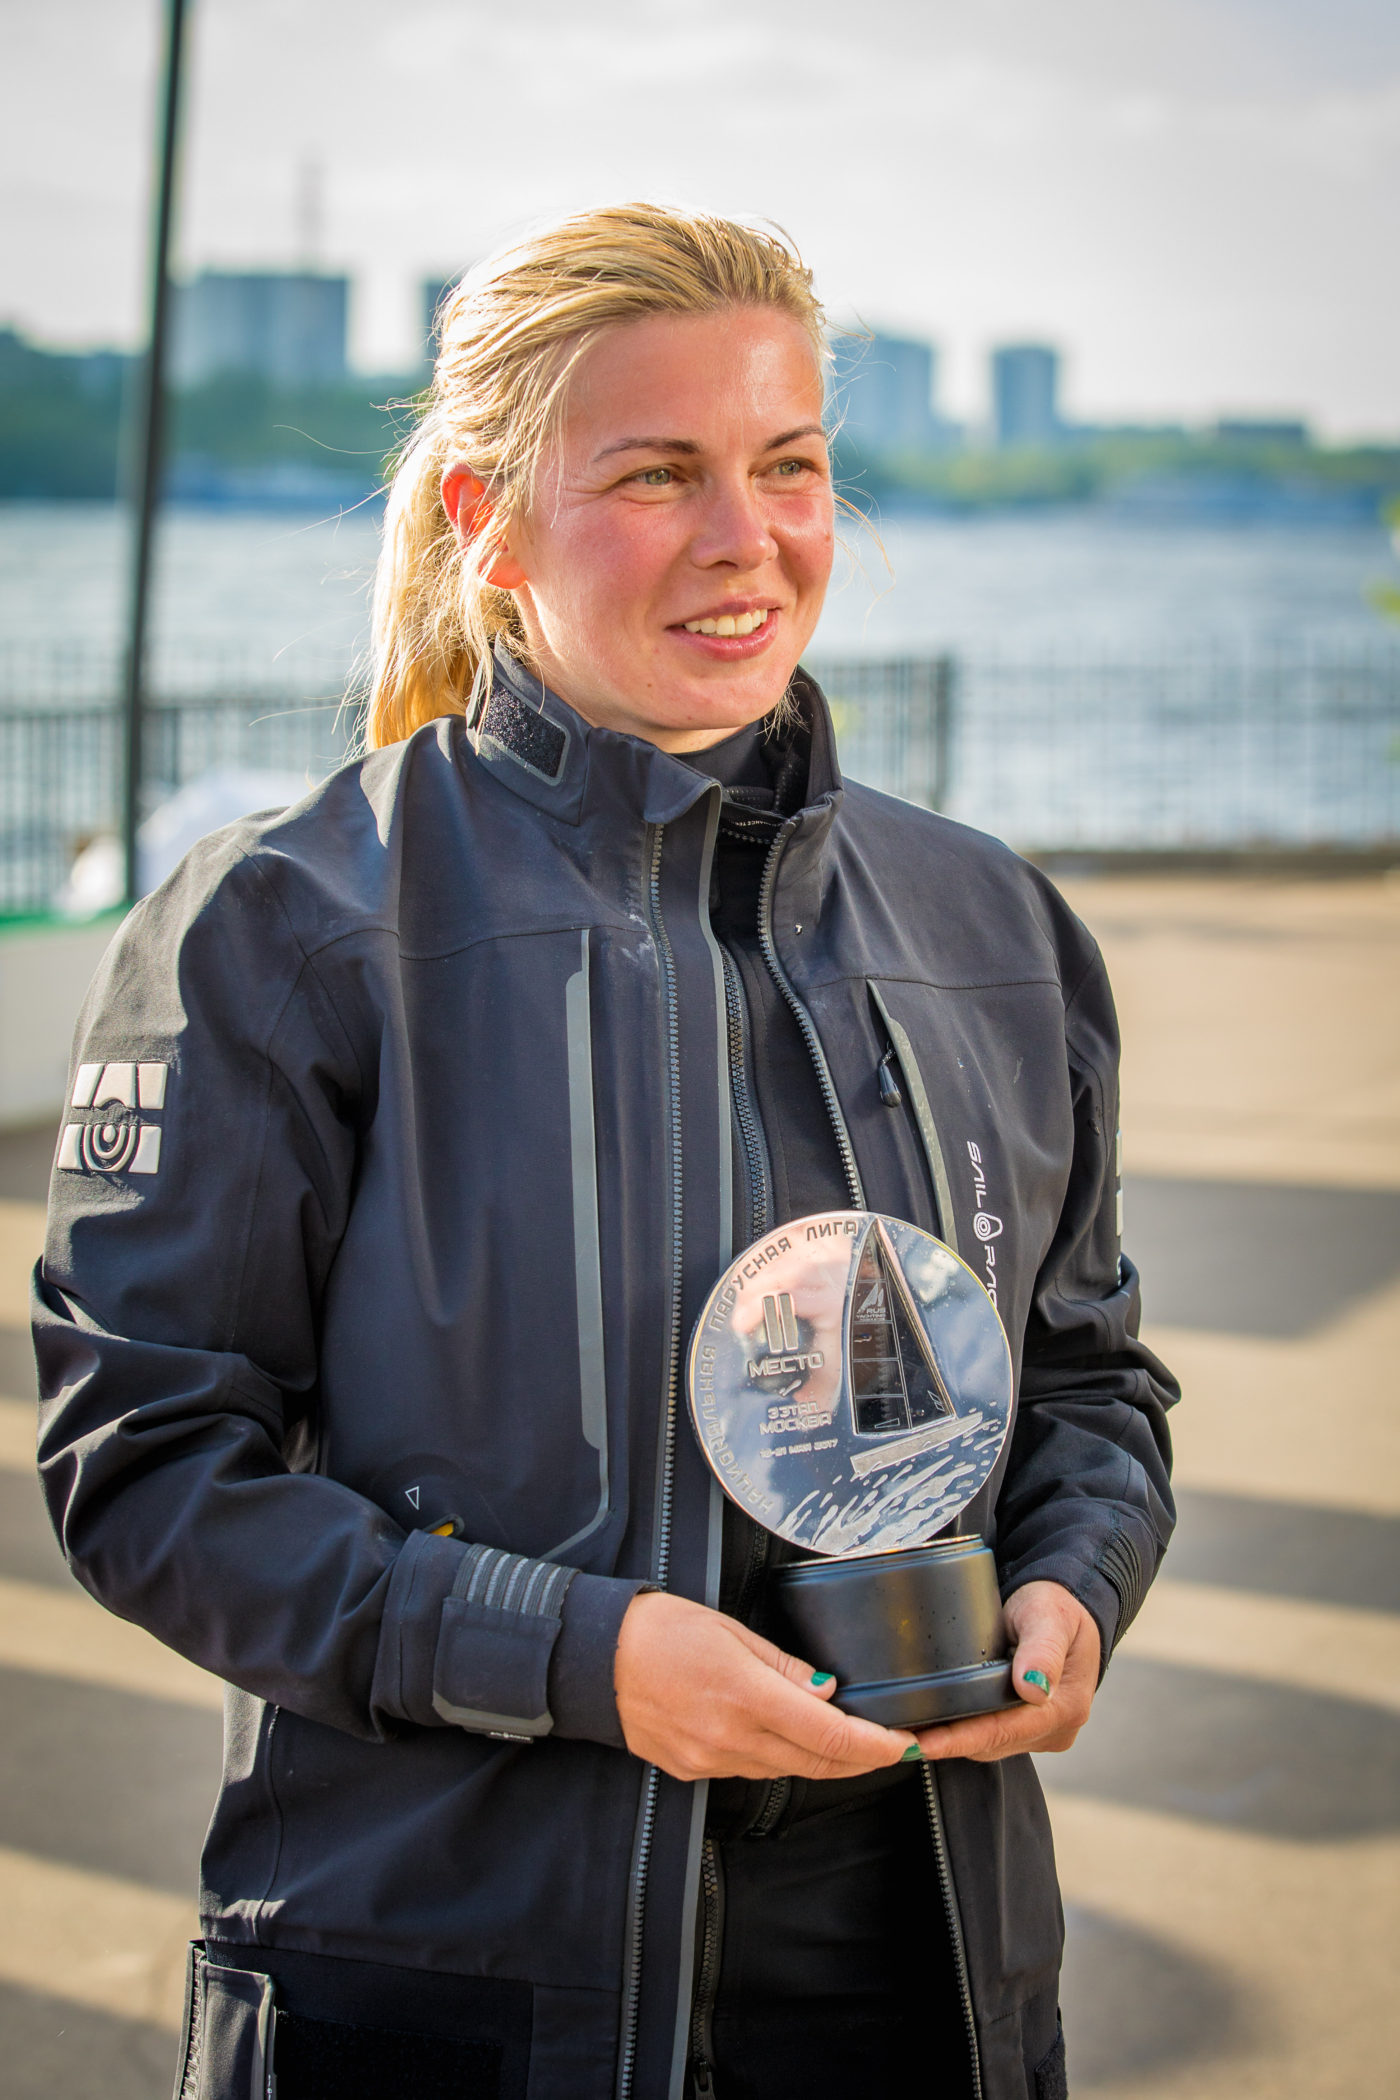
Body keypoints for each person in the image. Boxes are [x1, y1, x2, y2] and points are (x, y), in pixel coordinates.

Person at [34, 204, 1176, 2100]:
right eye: (657, 475)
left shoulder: (995, 928)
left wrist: (1078, 1573)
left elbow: (1087, 1379)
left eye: (788, 464)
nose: (748, 538)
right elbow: (147, 1467)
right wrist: (580, 1656)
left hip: (929, 1983)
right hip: (442, 1994)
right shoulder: (292, 928)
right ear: (484, 523)